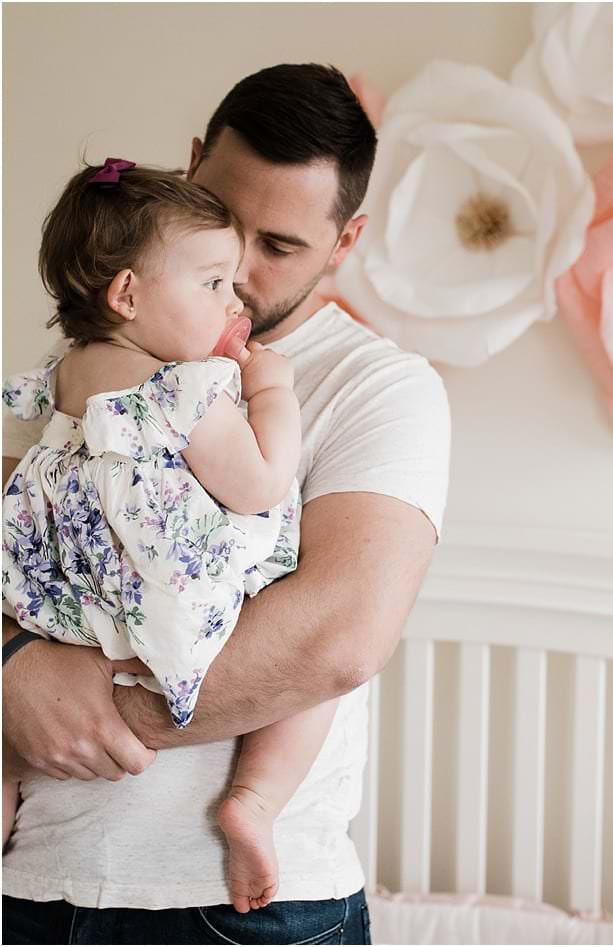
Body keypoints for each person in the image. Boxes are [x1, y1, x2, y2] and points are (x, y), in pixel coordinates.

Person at [1, 63, 449, 945]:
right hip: (38, 881)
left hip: (238, 909)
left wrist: (56, 712)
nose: (235, 270)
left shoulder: (379, 388)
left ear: (345, 240)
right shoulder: (84, 357)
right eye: (220, 221)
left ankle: (255, 798)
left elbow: (338, 636)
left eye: (277, 245)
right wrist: (11, 667)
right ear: (193, 162)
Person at [3, 160, 326, 916]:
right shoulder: (182, 388)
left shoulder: (64, 374)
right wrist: (271, 390)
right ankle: (255, 797)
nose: (234, 297)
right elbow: (258, 482)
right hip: (167, 592)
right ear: (127, 294)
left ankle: (5, 779)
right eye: (212, 282)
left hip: (64, 600)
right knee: (319, 668)